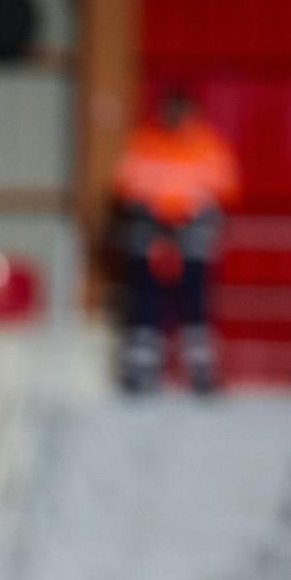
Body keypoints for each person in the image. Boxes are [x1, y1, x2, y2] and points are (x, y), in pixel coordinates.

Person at [112, 88, 239, 394]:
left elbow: (225, 187)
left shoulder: (207, 146)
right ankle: (142, 370)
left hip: (192, 234)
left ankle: (200, 371)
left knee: (194, 301)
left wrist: (193, 214)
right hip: (150, 234)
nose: (174, 118)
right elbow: (126, 184)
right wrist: (151, 212)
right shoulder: (146, 143)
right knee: (145, 301)